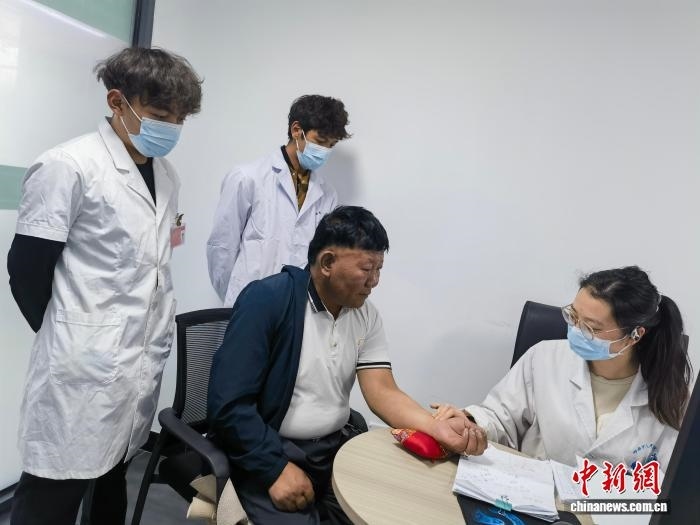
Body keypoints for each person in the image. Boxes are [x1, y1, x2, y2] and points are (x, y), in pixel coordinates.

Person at [7, 47, 202, 525]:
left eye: (179, 119)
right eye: (161, 116)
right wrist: (72, 331)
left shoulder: (166, 175)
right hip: (80, 367)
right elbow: (26, 270)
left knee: (111, 488)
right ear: (117, 101)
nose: (171, 128)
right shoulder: (68, 166)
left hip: (135, 364)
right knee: (51, 499)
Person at [208, 206, 487, 524]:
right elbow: (229, 406)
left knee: (386, 511)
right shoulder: (268, 301)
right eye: (366, 269)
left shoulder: (366, 315)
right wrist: (273, 468)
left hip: (332, 449)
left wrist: (437, 428)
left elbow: (383, 391)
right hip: (270, 448)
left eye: (379, 269)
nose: (374, 281)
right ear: (327, 263)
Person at [433, 266, 691, 472]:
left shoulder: (671, 398)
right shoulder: (545, 357)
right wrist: (470, 424)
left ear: (635, 335)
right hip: (530, 499)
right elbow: (500, 417)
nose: (575, 330)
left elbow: (669, 484)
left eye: (591, 327)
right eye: (573, 316)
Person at [207, 94, 350, 306]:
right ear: (296, 130)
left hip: (298, 305)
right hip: (249, 303)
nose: (325, 151)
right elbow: (222, 248)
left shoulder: (327, 194)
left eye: (331, 145)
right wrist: (235, 299)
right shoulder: (247, 178)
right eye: (320, 142)